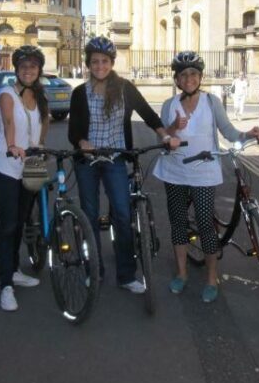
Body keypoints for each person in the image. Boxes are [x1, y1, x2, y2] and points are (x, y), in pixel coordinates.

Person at [68, 36, 181, 294]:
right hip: (87, 161)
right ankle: (93, 271)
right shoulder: (79, 93)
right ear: (88, 64)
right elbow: (73, 132)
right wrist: (82, 141)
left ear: (111, 63)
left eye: (104, 61)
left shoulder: (124, 88)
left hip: (116, 158)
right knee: (89, 215)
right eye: (95, 61)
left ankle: (126, 274)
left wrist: (165, 136)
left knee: (122, 213)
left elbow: (148, 114)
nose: (100, 66)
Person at [154, 51, 259, 303]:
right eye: (184, 75)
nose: (189, 78)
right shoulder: (169, 105)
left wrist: (249, 133)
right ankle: (181, 274)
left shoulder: (211, 102)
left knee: (205, 223)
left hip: (203, 171)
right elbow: (161, 139)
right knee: (178, 222)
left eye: (193, 74)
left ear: (200, 77)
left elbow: (229, 133)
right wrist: (172, 130)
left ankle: (212, 277)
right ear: (177, 80)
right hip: (174, 171)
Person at [0, 45, 48, 312]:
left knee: (22, 220)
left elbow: (42, 125)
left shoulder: (39, 97)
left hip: (30, 167)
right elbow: (9, 121)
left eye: (33, 67)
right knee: (9, 225)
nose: (28, 71)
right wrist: (12, 145)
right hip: (7, 166)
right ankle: (5, 286)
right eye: (24, 67)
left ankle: (13, 270)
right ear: (17, 70)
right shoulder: (6, 94)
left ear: (38, 70)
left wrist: (41, 148)